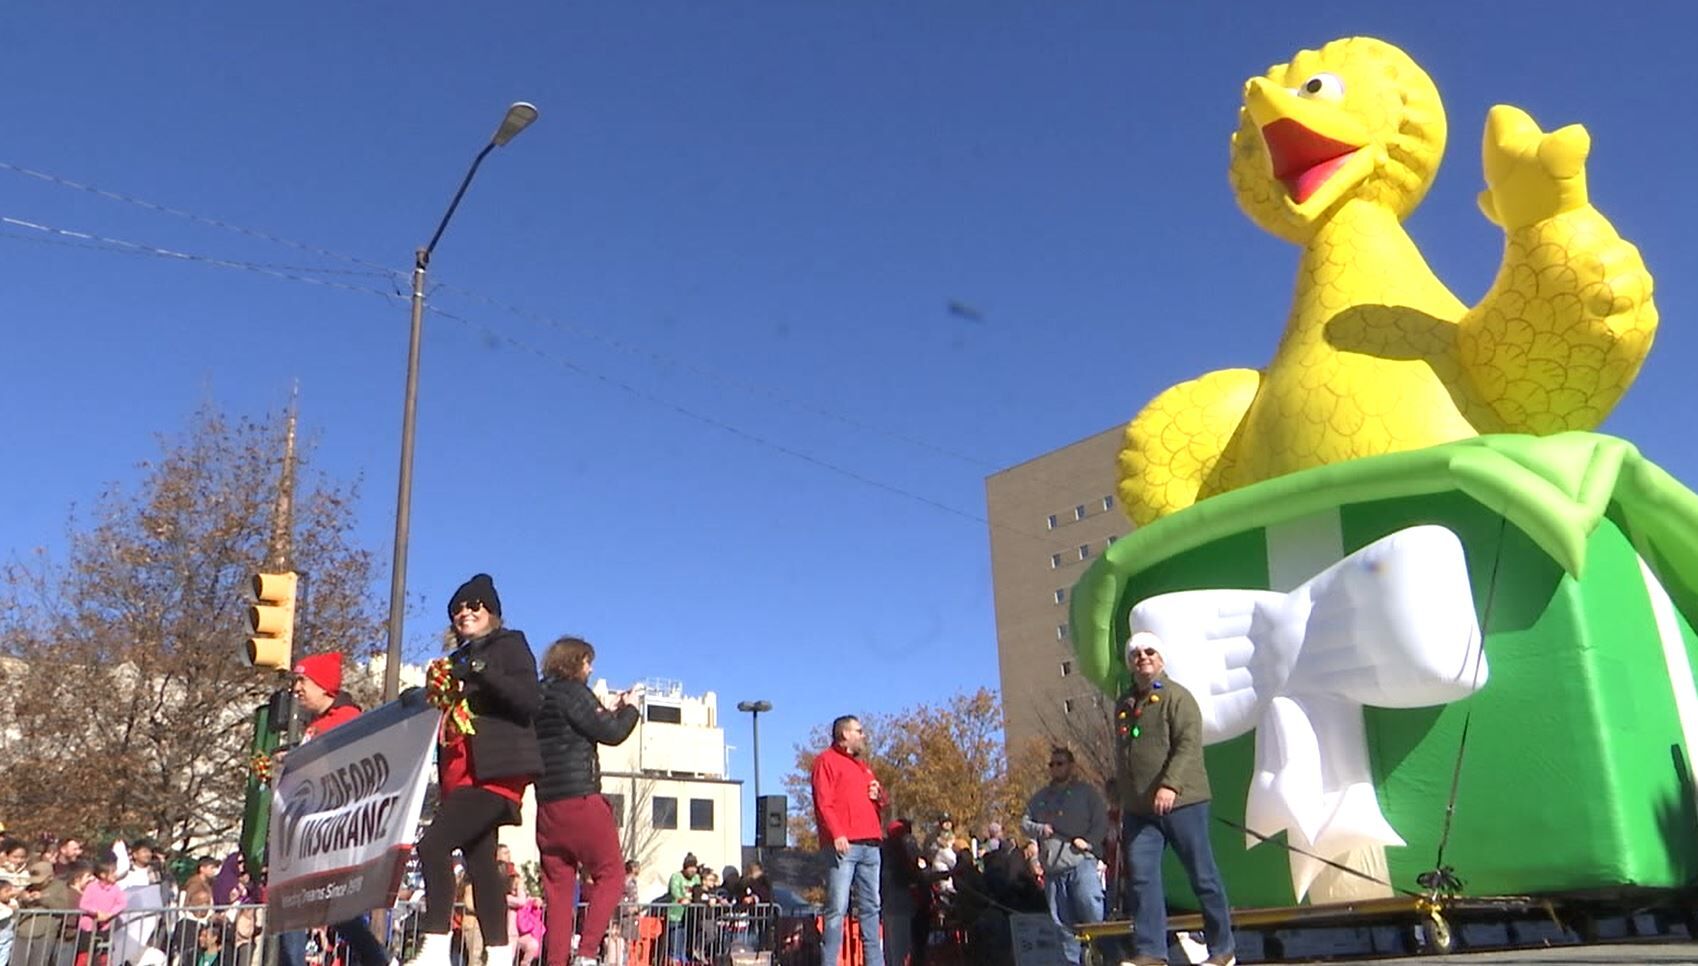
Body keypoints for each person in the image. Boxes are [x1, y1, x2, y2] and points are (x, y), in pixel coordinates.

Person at [406, 574, 542, 966]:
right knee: (481, 865)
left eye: (474, 606)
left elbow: (528, 700)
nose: (465, 613)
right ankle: (500, 955)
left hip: (495, 772)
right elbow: (445, 703)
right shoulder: (454, 662)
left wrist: (482, 669)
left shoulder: (509, 646)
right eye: (457, 610)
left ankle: (434, 948)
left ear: (493, 612)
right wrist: (417, 696)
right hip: (459, 771)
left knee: (432, 846)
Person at [1117, 632, 1235, 966]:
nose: (1143, 657)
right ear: (1130, 663)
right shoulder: (1124, 706)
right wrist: (1122, 794)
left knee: (1202, 875)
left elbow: (1187, 744)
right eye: (1136, 653)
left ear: (1161, 658)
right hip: (1140, 811)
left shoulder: (1177, 697)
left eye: (1149, 651)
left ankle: (1223, 949)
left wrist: (1170, 785)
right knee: (1141, 880)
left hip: (1183, 802)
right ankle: (1152, 952)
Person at [276, 652, 393, 966]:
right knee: (334, 914)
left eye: (302, 680)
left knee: (298, 911)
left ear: (324, 686)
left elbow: (343, 775)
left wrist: (297, 767)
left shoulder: (347, 721)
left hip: (329, 837)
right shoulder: (316, 725)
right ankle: (380, 961)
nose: (296, 689)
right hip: (309, 836)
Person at [533, 636, 640, 966]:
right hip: (579, 797)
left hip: (547, 804)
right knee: (612, 874)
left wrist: (604, 709)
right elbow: (611, 733)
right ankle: (587, 952)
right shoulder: (573, 691)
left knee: (559, 890)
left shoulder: (537, 696)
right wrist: (631, 708)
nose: (591, 668)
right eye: (587, 662)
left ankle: (555, 960)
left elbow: (570, 728)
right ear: (575, 662)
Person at [810, 715, 887, 966]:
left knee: (872, 908)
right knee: (837, 908)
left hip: (871, 844)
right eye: (859, 731)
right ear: (844, 734)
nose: (863, 735)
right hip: (845, 845)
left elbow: (880, 800)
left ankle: (875, 962)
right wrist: (837, 833)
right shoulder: (826, 762)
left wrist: (879, 796)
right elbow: (824, 802)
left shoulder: (863, 767)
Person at [1020, 746, 1107, 965]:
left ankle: (1102, 955)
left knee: (1091, 909)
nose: (1055, 768)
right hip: (1054, 870)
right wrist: (1041, 830)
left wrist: (1088, 842)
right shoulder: (1040, 798)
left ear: (1071, 766)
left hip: (1081, 864)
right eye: (1052, 764)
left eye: (1060, 763)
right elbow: (1025, 823)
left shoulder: (1086, 793)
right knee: (1064, 928)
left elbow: (1101, 822)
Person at [663, 854, 701, 966]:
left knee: (686, 944)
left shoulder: (696, 878)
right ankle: (674, 961)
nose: (693, 870)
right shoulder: (676, 877)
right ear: (685, 867)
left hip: (690, 916)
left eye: (695, 867)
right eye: (690, 867)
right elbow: (675, 892)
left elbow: (698, 891)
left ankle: (684, 960)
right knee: (675, 944)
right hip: (676, 916)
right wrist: (681, 899)